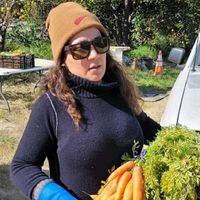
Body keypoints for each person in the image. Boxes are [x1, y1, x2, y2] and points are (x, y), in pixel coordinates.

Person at [10, 2, 161, 200]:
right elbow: (22, 166)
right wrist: (56, 196)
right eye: (81, 49)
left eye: (100, 44)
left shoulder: (120, 92)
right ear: (62, 58)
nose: (94, 55)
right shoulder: (51, 106)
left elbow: (156, 134)